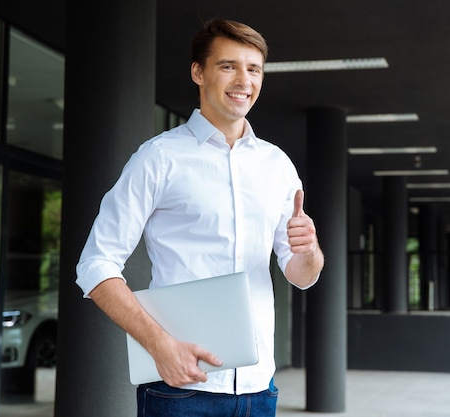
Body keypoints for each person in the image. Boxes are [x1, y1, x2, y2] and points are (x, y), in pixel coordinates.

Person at [75, 18, 324, 417]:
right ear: (198, 72)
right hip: (181, 388)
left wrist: (308, 251)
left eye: (254, 69)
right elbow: (95, 266)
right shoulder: (158, 157)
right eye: (228, 66)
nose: (244, 79)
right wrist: (159, 346)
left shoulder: (277, 165)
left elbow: (301, 274)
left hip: (260, 388)